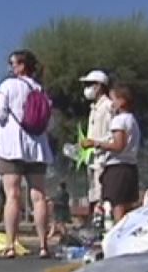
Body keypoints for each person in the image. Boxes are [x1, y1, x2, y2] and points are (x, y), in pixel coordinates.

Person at [0, 49, 53, 258]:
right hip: (37, 147)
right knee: (39, 196)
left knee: (13, 195)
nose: (10, 68)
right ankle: (44, 245)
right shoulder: (40, 89)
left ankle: (11, 244)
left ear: (20, 66)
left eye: (13, 63)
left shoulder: (7, 86)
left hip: (12, 145)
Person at [82, 84, 141, 224]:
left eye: (113, 99)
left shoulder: (119, 120)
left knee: (117, 205)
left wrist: (95, 143)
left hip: (118, 168)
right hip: (130, 166)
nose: (111, 103)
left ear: (122, 101)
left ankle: (118, 236)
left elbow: (118, 145)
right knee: (127, 206)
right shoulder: (133, 120)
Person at [79, 70, 113, 221]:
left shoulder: (108, 106)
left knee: (102, 195)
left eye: (89, 84)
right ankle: (96, 221)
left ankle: (104, 223)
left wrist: (96, 143)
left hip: (103, 158)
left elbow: (113, 133)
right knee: (93, 193)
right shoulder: (94, 108)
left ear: (99, 86)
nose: (86, 88)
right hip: (92, 159)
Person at [48, 181, 72, 245]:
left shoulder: (61, 193)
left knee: (60, 224)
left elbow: (57, 200)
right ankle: (50, 235)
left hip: (60, 211)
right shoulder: (66, 193)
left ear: (60, 187)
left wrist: (50, 200)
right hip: (62, 211)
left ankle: (66, 237)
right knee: (54, 224)